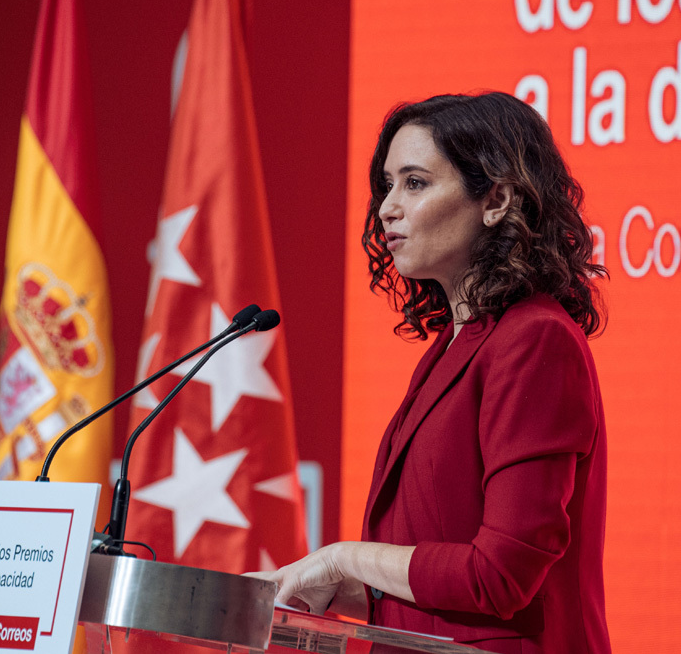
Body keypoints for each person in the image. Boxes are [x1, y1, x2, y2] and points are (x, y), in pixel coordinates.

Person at [256, 92, 611, 654]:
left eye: (415, 183)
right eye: (388, 185)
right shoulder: (454, 345)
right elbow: (441, 574)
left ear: (496, 199)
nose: (387, 208)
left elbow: (500, 577)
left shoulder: (534, 339)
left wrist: (345, 557)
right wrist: (332, 591)